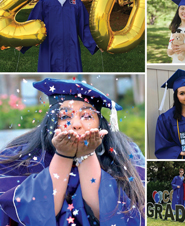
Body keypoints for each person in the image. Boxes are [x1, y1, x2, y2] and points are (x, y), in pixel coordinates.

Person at [0, 78, 145, 225]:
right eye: (64, 116)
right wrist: (63, 155)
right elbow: (36, 215)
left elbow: (115, 216)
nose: (76, 124)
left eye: (87, 116)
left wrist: (87, 154)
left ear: (100, 122)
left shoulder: (125, 153)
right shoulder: (21, 156)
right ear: (52, 122)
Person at [17, 0, 100, 72]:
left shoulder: (77, 4)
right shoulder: (44, 4)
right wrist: (22, 43)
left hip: (71, 51)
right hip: (49, 49)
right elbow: (32, 26)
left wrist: (96, 44)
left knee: (71, 83)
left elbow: (84, 27)